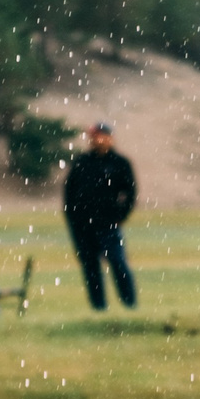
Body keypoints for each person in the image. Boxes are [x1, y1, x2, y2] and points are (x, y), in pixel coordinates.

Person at [61, 121, 137, 310]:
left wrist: (120, 215)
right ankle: (99, 307)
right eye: (93, 137)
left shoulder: (120, 163)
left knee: (118, 262)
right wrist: (72, 218)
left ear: (110, 138)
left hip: (108, 223)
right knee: (91, 267)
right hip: (82, 225)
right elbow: (69, 192)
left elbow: (130, 193)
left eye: (100, 136)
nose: (97, 141)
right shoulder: (81, 162)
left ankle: (129, 304)